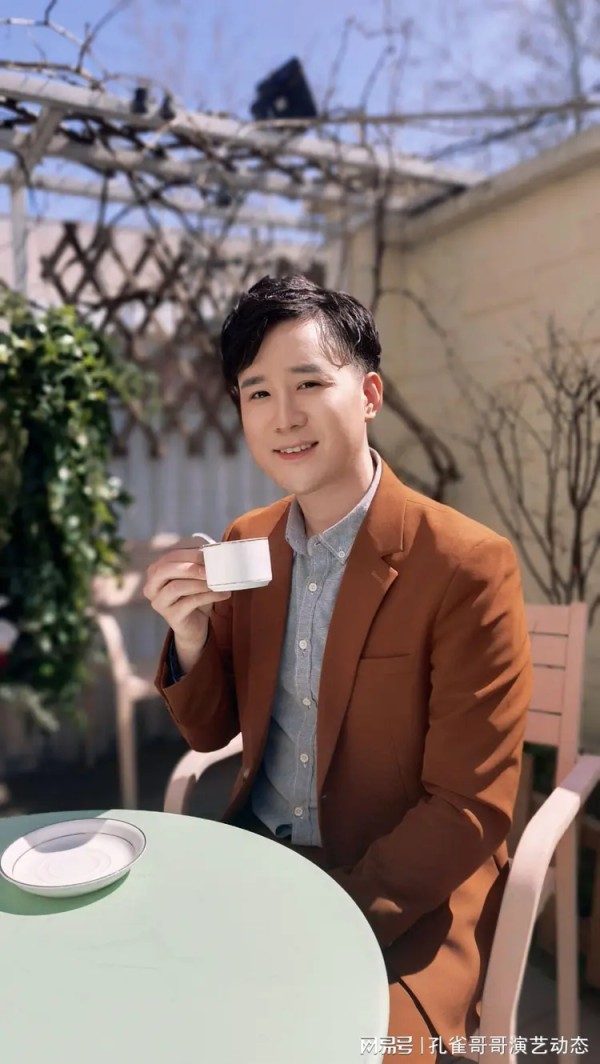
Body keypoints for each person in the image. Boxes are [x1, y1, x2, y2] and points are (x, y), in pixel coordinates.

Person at [145, 274, 532, 1060]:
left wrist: (326, 914)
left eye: (310, 383)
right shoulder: (248, 544)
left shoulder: (465, 565)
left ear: (369, 395)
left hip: (403, 903)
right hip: (256, 858)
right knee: (145, 1001)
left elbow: (466, 808)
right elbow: (213, 731)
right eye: (257, 392)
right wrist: (189, 636)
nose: (283, 416)